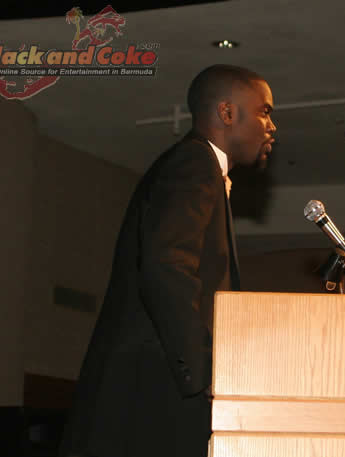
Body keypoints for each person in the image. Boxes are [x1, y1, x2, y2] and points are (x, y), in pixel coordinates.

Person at [59, 64, 276, 457]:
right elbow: (167, 266)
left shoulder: (199, 167)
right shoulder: (194, 164)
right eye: (264, 112)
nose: (271, 127)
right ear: (227, 113)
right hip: (158, 386)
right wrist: (205, 373)